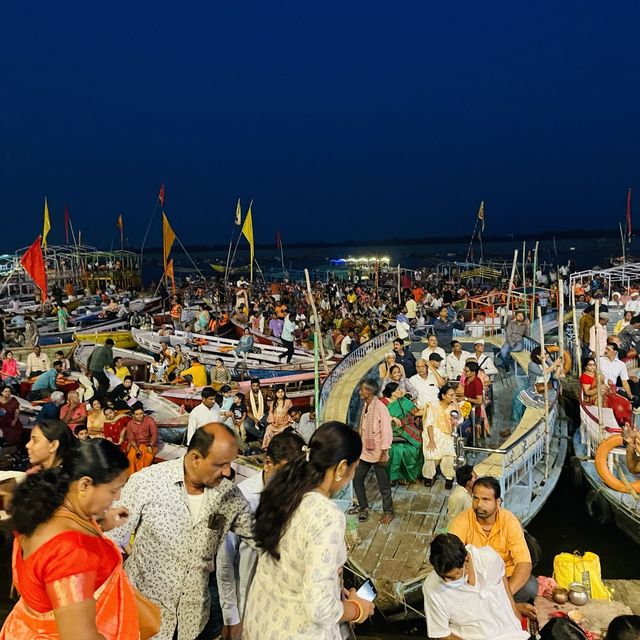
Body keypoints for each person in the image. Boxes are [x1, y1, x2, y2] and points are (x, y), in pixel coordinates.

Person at [107, 423, 255, 640]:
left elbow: (261, 537)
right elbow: (112, 542)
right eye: (220, 464)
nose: (227, 472)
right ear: (196, 458)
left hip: (193, 621)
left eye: (230, 463)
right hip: (144, 618)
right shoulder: (147, 482)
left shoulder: (229, 495)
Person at [243, 422, 375, 639]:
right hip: (296, 631)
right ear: (342, 467)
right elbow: (320, 608)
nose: (352, 475)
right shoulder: (327, 516)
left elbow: (293, 566)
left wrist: (333, 589)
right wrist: (357, 609)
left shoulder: (284, 494)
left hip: (261, 621)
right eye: (354, 468)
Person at [0, 439, 138, 640]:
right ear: (85, 484)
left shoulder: (44, 509)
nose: (117, 497)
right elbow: (80, 636)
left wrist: (103, 523)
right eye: (113, 490)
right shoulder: (72, 552)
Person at [216, 429, 306, 639]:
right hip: (249, 599)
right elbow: (225, 562)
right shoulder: (241, 499)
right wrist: (230, 616)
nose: (290, 482)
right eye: (284, 473)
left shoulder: (301, 498)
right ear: (267, 463)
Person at [422, 533, 529, 640]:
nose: (447, 581)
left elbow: (502, 577)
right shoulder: (432, 588)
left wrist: (513, 608)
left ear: (467, 560)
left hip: (511, 632)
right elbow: (443, 635)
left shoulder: (489, 558)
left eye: (454, 577)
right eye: (443, 577)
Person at [449, 476, 536, 602]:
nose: (479, 504)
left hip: (504, 579)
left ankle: (495, 605)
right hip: (475, 581)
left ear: (497, 502)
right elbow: (453, 558)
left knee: (531, 587)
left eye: (485, 500)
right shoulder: (461, 521)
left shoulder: (509, 521)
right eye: (476, 498)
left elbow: (524, 563)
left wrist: (503, 598)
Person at [352, 379, 394, 523]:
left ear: (369, 392)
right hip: (365, 451)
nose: (360, 392)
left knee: (383, 484)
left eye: (362, 389)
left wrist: (384, 452)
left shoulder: (381, 408)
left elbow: (387, 431)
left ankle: (388, 511)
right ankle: (363, 507)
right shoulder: (366, 405)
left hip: (378, 451)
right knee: (357, 478)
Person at [380, 382, 423, 484]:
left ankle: (407, 477)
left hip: (406, 427)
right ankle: (393, 477)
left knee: (415, 447)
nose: (401, 391)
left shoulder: (403, 400)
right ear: (392, 393)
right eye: (398, 390)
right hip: (388, 429)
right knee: (396, 450)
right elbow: (377, 417)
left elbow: (416, 412)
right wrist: (392, 418)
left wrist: (431, 408)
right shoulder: (382, 402)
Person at [423, 382, 459, 489]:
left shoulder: (452, 406)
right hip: (432, 433)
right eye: (451, 395)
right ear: (443, 396)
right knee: (431, 454)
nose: (453, 397)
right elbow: (429, 424)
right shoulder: (433, 406)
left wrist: (455, 402)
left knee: (448, 455)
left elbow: (459, 418)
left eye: (454, 395)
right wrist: (432, 440)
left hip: (446, 434)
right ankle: (428, 477)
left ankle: (449, 478)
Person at [125, 403, 159, 474]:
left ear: (143, 412)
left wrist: (150, 446)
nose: (140, 416)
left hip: (149, 444)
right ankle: (133, 478)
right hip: (136, 445)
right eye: (137, 414)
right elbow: (130, 438)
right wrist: (136, 449)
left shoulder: (150, 420)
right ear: (133, 415)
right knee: (130, 458)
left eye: (141, 413)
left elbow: (154, 435)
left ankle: (141, 476)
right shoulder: (130, 424)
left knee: (146, 458)